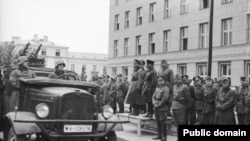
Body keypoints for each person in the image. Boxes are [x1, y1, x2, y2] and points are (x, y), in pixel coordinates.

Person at [152, 76, 170, 141]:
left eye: (161, 80)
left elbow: (165, 98)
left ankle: (164, 137)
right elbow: (153, 96)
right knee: (158, 121)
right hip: (156, 106)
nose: (160, 82)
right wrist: (154, 103)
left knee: (163, 122)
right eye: (159, 81)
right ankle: (159, 135)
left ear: (164, 81)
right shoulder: (157, 88)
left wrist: (159, 105)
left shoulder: (166, 88)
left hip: (163, 107)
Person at [172, 75, 189, 140]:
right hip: (174, 106)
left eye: (179, 79)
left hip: (181, 106)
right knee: (176, 123)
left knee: (182, 122)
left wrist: (184, 103)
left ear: (181, 80)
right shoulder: (174, 87)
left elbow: (188, 99)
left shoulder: (184, 87)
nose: (177, 80)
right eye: (176, 79)